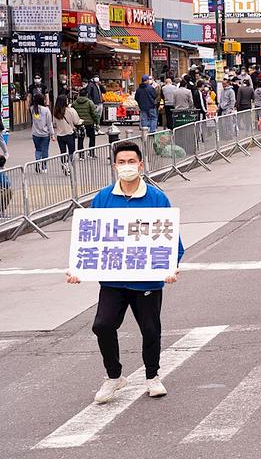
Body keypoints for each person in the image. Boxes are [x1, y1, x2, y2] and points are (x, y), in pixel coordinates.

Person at [66, 141, 182, 403]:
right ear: (114, 166)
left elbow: (171, 238)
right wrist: (77, 268)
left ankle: (152, 376)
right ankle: (114, 376)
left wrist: (171, 266)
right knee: (102, 326)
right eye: (121, 162)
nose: (126, 166)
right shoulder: (103, 198)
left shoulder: (157, 198)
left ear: (141, 165)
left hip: (146, 280)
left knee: (150, 329)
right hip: (114, 280)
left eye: (131, 162)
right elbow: (90, 238)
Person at [52, 94, 83, 165]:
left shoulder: (55, 112)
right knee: (71, 151)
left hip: (60, 135)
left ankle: (65, 165)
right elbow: (76, 121)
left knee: (63, 152)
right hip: (69, 134)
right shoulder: (71, 110)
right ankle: (71, 165)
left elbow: (54, 124)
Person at [30, 93, 54, 167]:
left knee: (38, 149)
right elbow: (49, 123)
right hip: (45, 134)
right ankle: (44, 166)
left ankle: (38, 161)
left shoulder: (32, 109)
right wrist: (52, 134)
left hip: (35, 133)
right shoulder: (46, 110)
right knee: (45, 150)